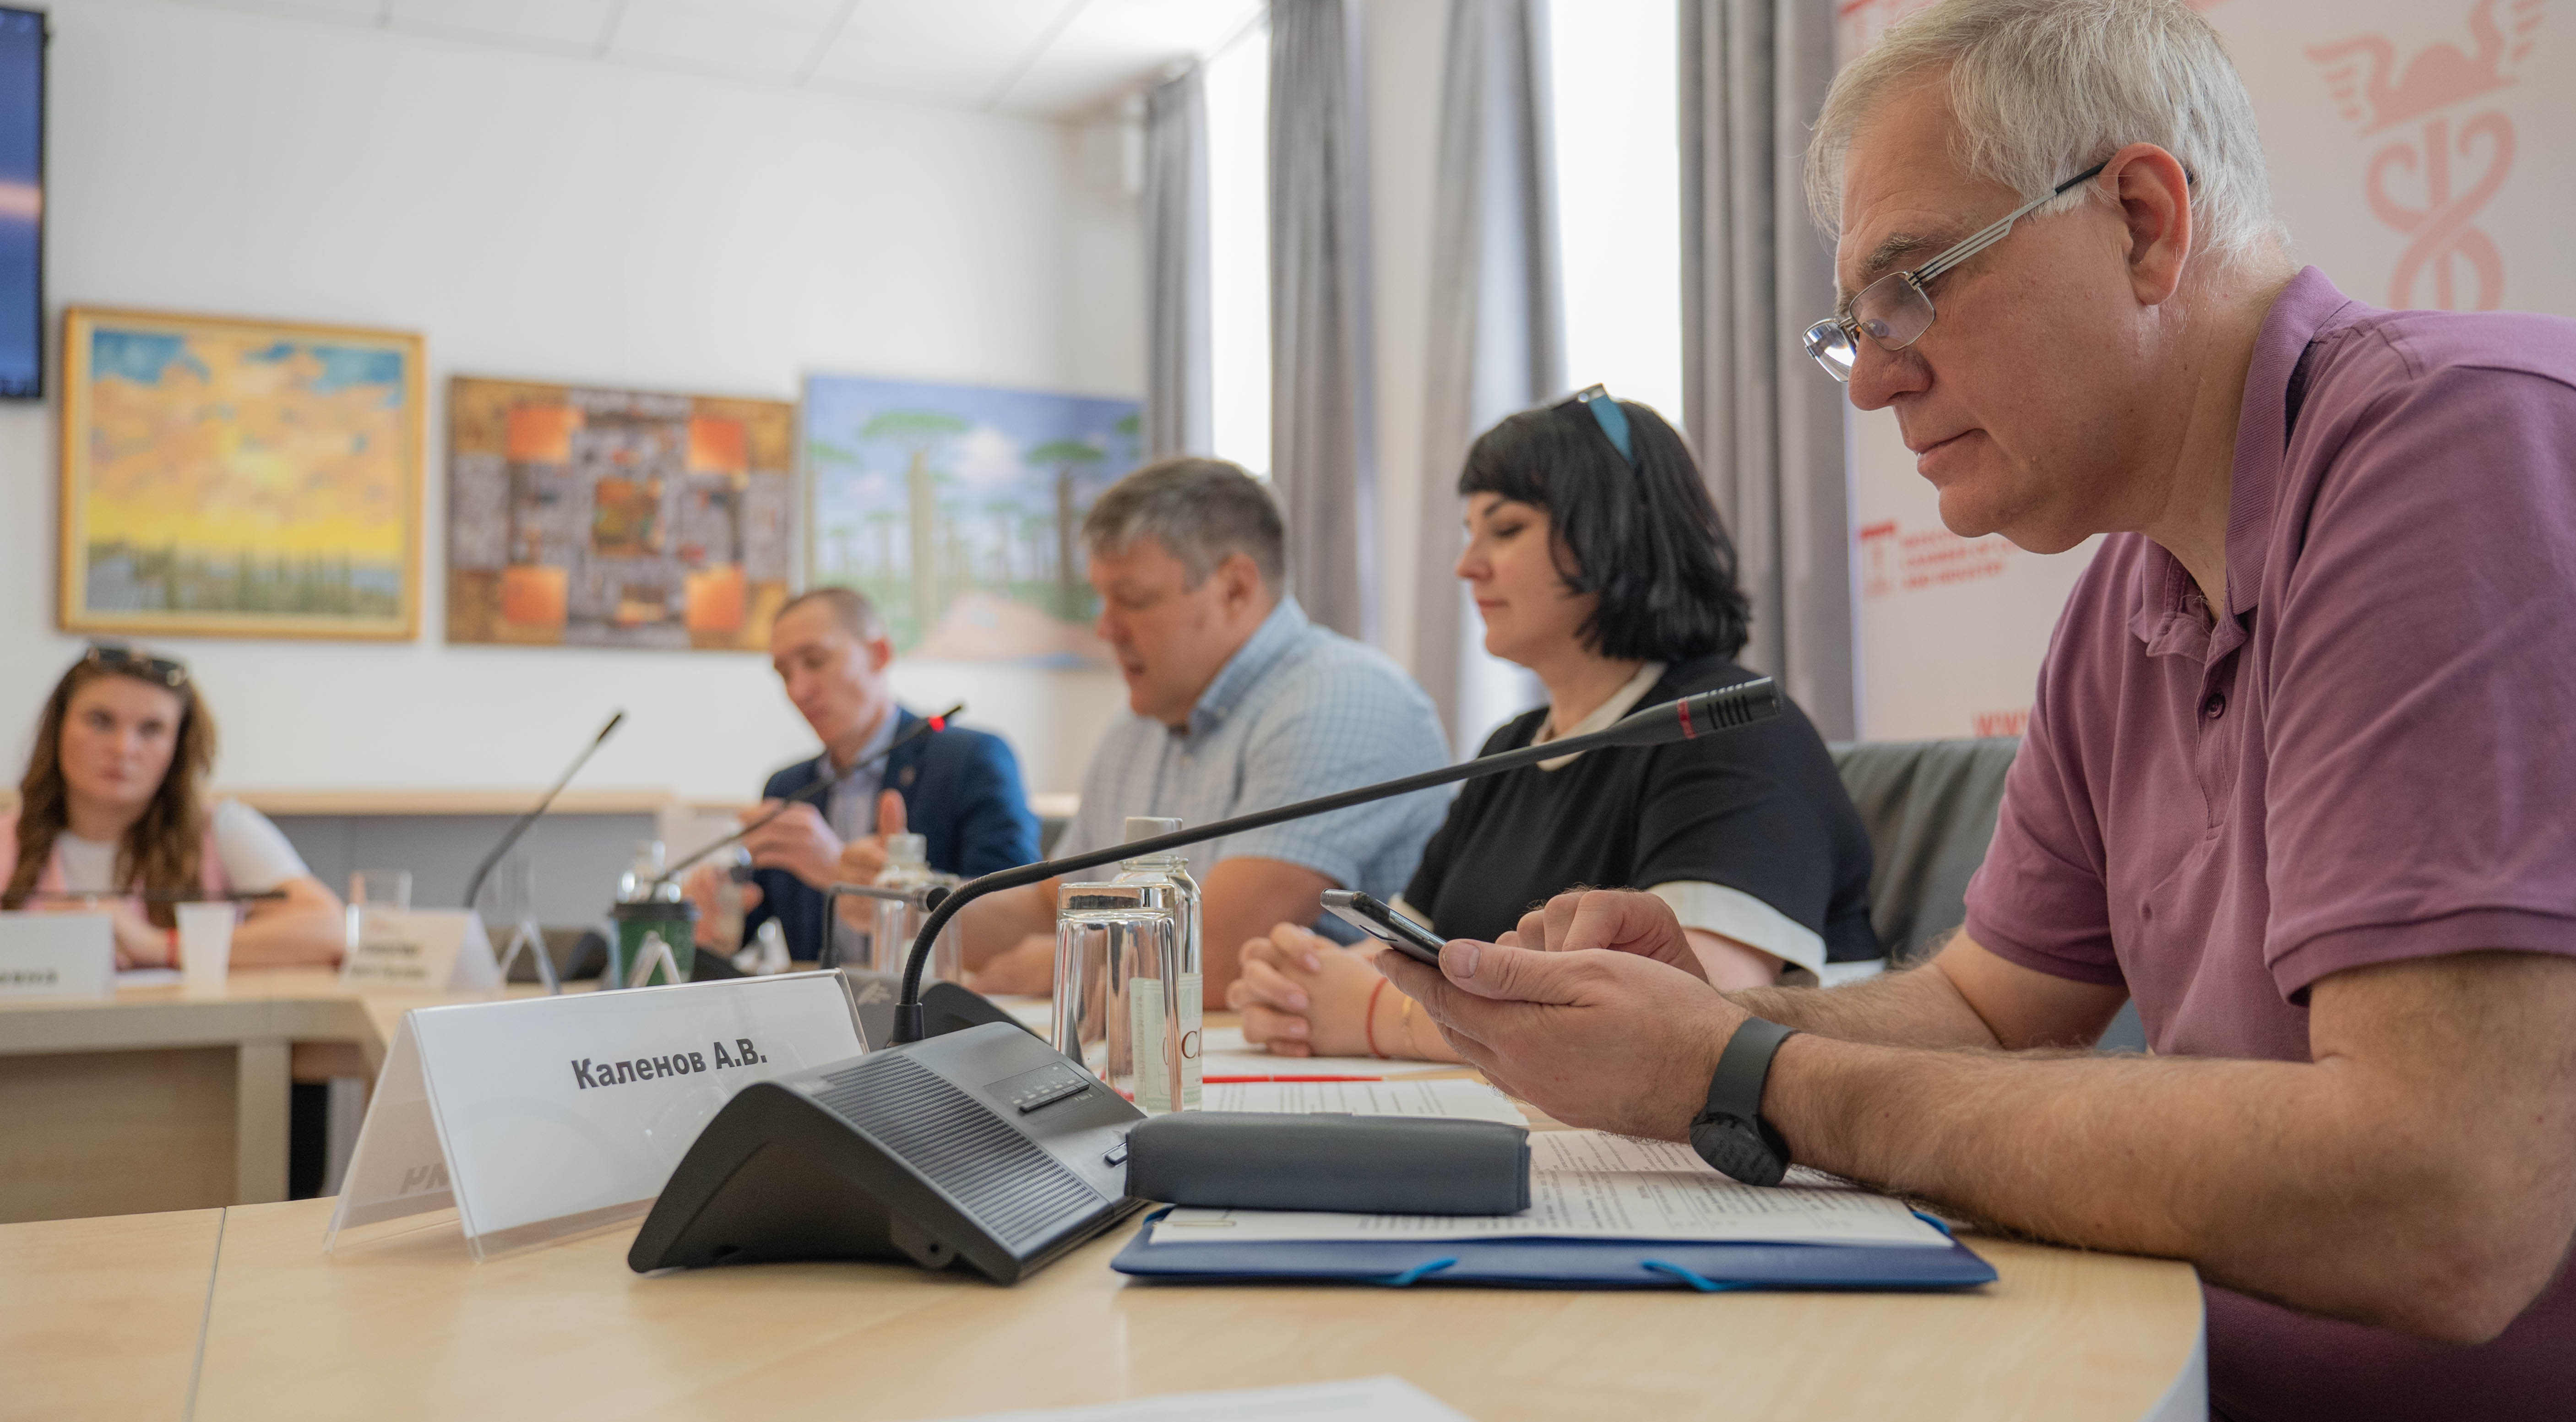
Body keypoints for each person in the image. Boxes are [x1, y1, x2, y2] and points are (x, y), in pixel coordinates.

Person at [1377, 0, 2576, 1422]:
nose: (1874, 382)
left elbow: (2439, 1198)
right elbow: (1983, 1010)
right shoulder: (2125, 598)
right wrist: (1703, 1023)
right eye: (1852, 327)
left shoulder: (2476, 448)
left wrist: (1746, 1071)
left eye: (1910, 290)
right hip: (2189, 1420)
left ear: (2141, 221)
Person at [1228, 388, 1882, 1060]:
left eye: (1506, 529)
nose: (1466, 565)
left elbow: (1685, 1016)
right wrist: (1292, 987)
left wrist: (1374, 1017)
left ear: (1616, 531)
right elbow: (1398, 960)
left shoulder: (1723, 730)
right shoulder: (1509, 749)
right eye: (1469, 532)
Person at [958, 457, 1450, 1005]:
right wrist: (916, 905)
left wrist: (1071, 963)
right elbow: (1048, 909)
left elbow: (1216, 956)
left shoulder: (1342, 699)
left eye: (1133, 599)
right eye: (1101, 599)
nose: (1105, 628)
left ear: (1234, 589)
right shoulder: (1136, 729)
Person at [690, 587, 1036, 966]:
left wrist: (843, 870)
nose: (798, 690)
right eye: (784, 673)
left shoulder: (971, 760)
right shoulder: (788, 787)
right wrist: (715, 910)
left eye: (815, 661)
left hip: (929, 1000)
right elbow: (744, 926)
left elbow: (1017, 916)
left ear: (879, 654)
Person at [3, 646, 343, 967]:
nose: (123, 748)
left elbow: (328, 929)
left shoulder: (220, 828)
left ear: (178, 748)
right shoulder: (7, 838)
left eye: (151, 729)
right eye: (100, 721)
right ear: (58, 729)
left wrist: (160, 946)